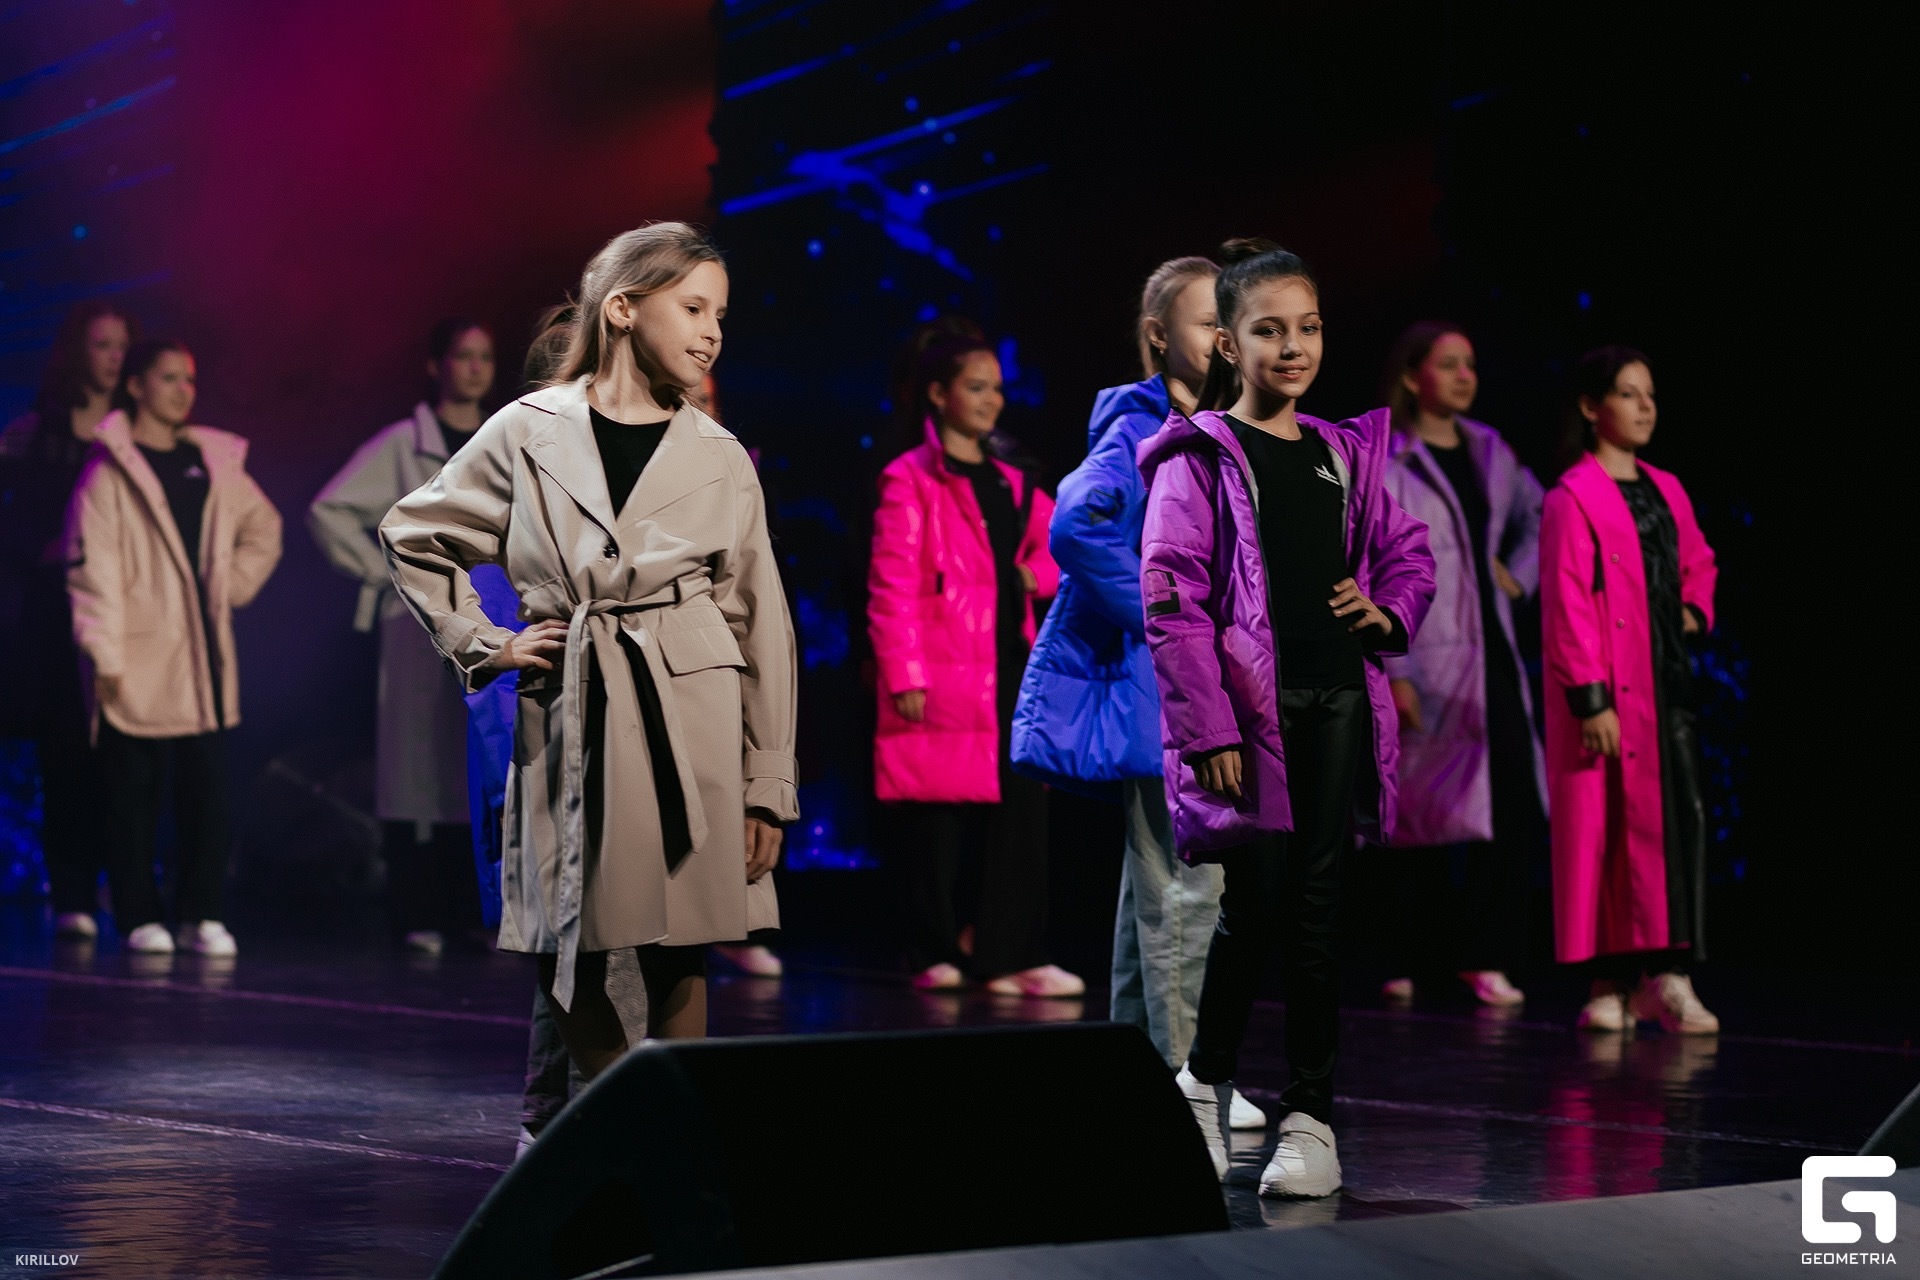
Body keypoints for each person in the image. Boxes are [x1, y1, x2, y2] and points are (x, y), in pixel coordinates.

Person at [381, 222, 798, 1082]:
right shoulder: (529, 429)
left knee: (681, 941)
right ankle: (605, 1122)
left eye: (720, 315)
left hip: (691, 708)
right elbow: (414, 534)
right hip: (574, 700)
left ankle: (665, 1130)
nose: (713, 331)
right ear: (622, 309)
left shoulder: (722, 456)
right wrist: (486, 643)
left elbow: (760, 622)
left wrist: (767, 783)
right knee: (566, 926)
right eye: (693, 308)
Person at [1138, 240, 1434, 1196]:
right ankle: (1203, 1082)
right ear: (1229, 344)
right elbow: (1172, 600)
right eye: (1270, 330)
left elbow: (1409, 551)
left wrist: (1386, 613)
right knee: (1255, 906)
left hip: (1338, 699)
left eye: (1308, 328)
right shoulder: (1198, 457)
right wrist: (1209, 730)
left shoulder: (1342, 454)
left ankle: (1311, 1117)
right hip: (1250, 717)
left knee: (1316, 913)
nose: (1294, 346)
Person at [1014, 255, 1261, 1131]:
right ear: (1160, 336)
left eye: (1230, 319)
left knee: (1155, 890)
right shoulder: (1140, 428)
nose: (1223, 336)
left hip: (1193, 689)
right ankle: (1190, 1077)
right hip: (1165, 693)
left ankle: (1138, 1068)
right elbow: (1074, 524)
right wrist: (1164, 619)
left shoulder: (1215, 427)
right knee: (1187, 889)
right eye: (1205, 320)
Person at [868, 325, 1082, 998]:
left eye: (997, 389)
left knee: (1020, 812)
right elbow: (891, 585)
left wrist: (1031, 576)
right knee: (933, 818)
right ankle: (932, 948)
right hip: (940, 665)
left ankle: (1007, 953)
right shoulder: (909, 478)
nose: (993, 400)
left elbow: (1066, 543)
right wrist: (904, 672)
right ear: (939, 394)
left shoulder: (1014, 479)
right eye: (977, 387)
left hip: (1008, 663)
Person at [65, 339, 284, 956]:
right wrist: (102, 652)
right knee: (131, 797)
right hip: (136, 654)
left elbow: (264, 528)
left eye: (189, 379)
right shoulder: (108, 474)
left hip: (201, 656)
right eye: (168, 378)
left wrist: (229, 589)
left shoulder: (212, 461)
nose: (183, 390)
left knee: (207, 795)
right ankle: (138, 915)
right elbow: (92, 571)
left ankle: (200, 912)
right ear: (136, 385)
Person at [1540, 347, 1718, 1035]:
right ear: (1592, 407)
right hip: (1610, 690)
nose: (1645, 407)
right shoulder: (1573, 496)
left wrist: (1692, 611)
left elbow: (1698, 561)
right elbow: (1566, 603)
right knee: (1607, 833)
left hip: (1665, 686)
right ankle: (1610, 978)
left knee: (1677, 823)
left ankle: (1668, 975)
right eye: (1628, 393)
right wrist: (1591, 698)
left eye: (1650, 394)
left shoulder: (1667, 489)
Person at [309, 318, 499, 955]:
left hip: (491, 614)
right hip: (418, 623)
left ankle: (471, 910)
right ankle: (416, 909)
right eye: (463, 356)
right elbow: (330, 509)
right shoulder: (403, 444)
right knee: (417, 764)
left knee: (475, 759)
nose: (474, 368)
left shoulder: (502, 439)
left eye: (484, 357)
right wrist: (381, 573)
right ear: (435, 365)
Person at [1373, 322, 1548, 1007]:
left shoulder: (1490, 451)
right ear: (1412, 376)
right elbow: (1370, 567)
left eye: (1470, 364)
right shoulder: (1388, 461)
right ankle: (1406, 955)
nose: (1464, 376)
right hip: (1425, 652)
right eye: (1448, 364)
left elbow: (1543, 516)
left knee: (1510, 803)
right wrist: (1395, 670)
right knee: (1417, 813)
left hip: (1490, 653)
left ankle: (1485, 953)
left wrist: (1519, 577)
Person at [0, 302, 135, 940]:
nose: (113, 358)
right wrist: (45, 551)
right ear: (77, 350)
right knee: (65, 750)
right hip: (57, 610)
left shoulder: (135, 432)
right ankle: (72, 892)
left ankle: (128, 885)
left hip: (127, 610)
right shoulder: (37, 431)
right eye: (102, 345)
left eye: (121, 346)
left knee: (127, 750)